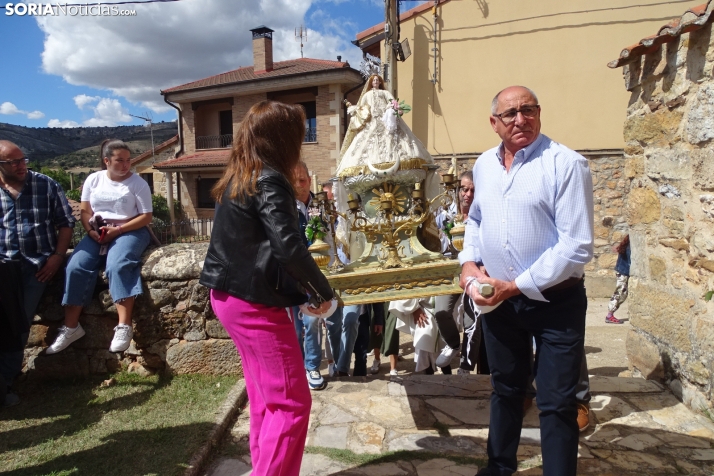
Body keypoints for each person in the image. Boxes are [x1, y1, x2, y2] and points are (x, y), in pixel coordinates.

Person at [460, 86, 594, 476]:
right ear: (494, 123)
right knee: (505, 390)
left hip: (557, 303)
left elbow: (576, 246)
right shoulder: (484, 166)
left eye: (528, 110)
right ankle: (499, 467)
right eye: (510, 114)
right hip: (501, 302)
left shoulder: (566, 164)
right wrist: (469, 263)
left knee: (556, 402)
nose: (521, 119)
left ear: (539, 112)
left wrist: (514, 285)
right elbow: (477, 220)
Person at [200, 101, 334, 475]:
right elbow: (288, 247)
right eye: (298, 130)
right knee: (292, 404)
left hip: (230, 297)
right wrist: (322, 292)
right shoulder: (270, 177)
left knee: (264, 397)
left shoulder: (241, 174)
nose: (303, 137)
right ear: (281, 138)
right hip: (253, 302)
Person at [47, 139, 153, 355]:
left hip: (130, 229)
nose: (126, 165)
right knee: (75, 265)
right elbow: (85, 210)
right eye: (119, 160)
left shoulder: (137, 183)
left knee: (118, 264)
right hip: (98, 230)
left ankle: (124, 326)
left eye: (128, 160)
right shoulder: (93, 180)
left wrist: (119, 231)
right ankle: (71, 327)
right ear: (107, 161)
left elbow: (146, 217)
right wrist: (91, 231)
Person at [0, 140, 75, 406]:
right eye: (14, 162)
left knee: (18, 326)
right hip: (2, 267)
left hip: (36, 268)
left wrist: (57, 257)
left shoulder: (45, 184)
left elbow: (65, 223)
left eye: (23, 160)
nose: (22, 166)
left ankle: (6, 384)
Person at [292, 162, 342, 389]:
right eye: (295, 180)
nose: (299, 185)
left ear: (309, 180)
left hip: (320, 271)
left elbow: (330, 236)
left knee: (326, 320)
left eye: (303, 180)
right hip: (295, 274)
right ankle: (305, 367)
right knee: (302, 323)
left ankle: (326, 365)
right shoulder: (285, 207)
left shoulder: (319, 206)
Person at [337, 74, 431, 178]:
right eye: (374, 81)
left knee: (392, 137)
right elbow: (362, 107)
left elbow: (393, 102)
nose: (376, 82)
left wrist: (394, 108)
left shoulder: (385, 93)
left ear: (380, 82)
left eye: (377, 80)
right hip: (372, 121)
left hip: (385, 118)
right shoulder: (366, 95)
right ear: (371, 83)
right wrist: (356, 110)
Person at [606, 234, 630, 324]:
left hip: (622, 272)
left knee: (621, 293)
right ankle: (609, 315)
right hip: (624, 273)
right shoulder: (629, 248)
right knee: (620, 293)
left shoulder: (625, 245)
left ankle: (610, 314)